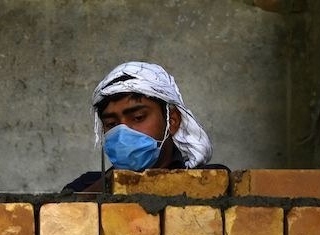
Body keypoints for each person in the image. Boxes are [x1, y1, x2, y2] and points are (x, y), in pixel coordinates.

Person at [63, 61, 226, 192]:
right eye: (111, 124)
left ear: (173, 120)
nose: (122, 132)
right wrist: (107, 184)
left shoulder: (211, 180)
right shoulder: (85, 187)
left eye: (138, 117)